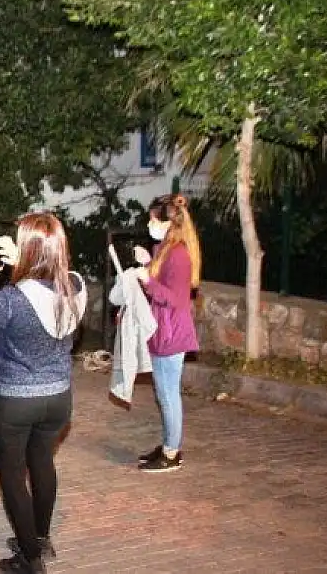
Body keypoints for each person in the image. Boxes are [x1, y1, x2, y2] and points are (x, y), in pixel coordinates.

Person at [0, 213, 87, 574]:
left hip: (15, 400)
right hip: (58, 398)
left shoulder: (12, 297)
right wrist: (21, 262)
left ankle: (30, 561)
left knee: (12, 474)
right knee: (42, 463)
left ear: (28, 248)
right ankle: (39, 538)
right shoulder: (78, 285)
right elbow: (47, 283)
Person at [132, 193, 201, 472]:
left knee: (169, 394)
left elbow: (174, 298)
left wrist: (147, 280)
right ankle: (169, 444)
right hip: (163, 328)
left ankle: (172, 453)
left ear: (168, 222)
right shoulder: (166, 248)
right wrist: (148, 261)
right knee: (163, 393)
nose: (150, 224)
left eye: (153, 219)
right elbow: (161, 279)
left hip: (173, 330)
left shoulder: (179, 254)